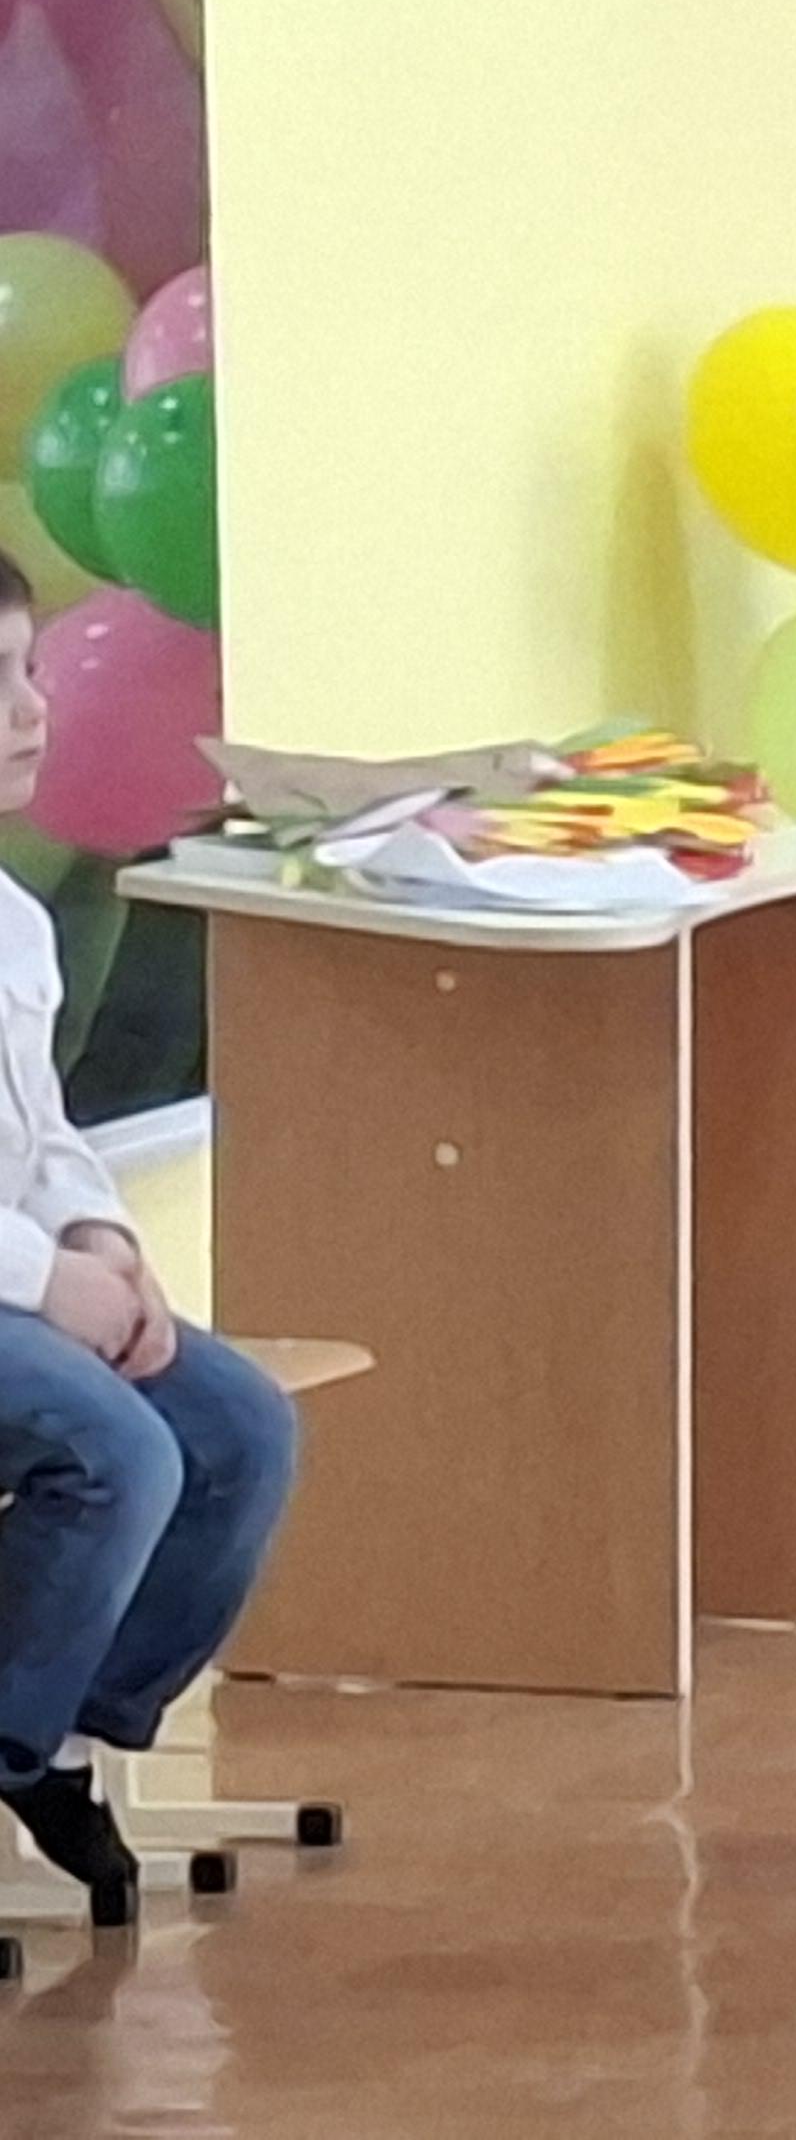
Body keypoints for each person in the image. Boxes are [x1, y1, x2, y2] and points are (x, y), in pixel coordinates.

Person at [0, 550, 299, 1928]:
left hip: (31, 1277)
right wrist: (45, 1282)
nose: (31, 711)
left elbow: (43, 1128)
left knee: (237, 1426)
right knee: (113, 1448)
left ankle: (58, 1737)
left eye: (28, 672)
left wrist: (103, 1234)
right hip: (14, 1290)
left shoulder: (15, 922)